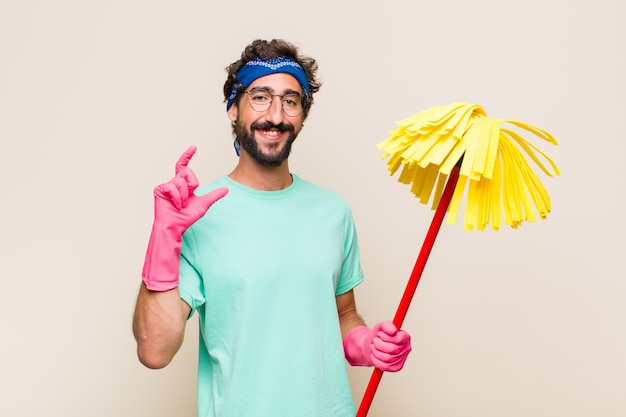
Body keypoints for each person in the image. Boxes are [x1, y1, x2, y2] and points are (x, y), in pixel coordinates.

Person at [132, 38, 412, 417]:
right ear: (233, 108)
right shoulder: (197, 214)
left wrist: (365, 343)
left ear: (302, 114)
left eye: (291, 100)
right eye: (260, 96)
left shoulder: (333, 211)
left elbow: (343, 313)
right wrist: (163, 239)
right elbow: (154, 350)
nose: (276, 115)